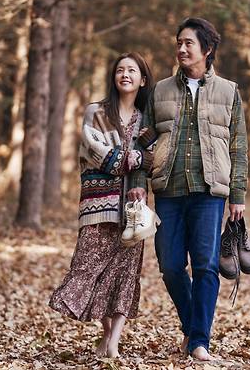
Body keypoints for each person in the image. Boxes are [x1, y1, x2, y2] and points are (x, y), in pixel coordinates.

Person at [128, 17, 248, 361]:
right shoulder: (161, 91)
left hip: (210, 192)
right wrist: (139, 183)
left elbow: (238, 148)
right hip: (169, 190)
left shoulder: (229, 92)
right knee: (170, 266)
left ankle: (199, 341)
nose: (181, 48)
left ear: (206, 50)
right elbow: (143, 142)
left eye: (189, 43)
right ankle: (193, 326)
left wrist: (237, 196)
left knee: (207, 266)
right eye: (179, 42)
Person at [49, 52, 154, 359]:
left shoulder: (147, 119)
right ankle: (105, 330)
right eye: (120, 69)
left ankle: (115, 339)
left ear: (142, 79)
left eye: (132, 70)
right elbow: (94, 150)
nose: (125, 74)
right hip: (97, 205)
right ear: (113, 77)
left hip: (133, 212)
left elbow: (154, 155)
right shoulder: (95, 112)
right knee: (87, 268)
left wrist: (140, 163)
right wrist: (129, 158)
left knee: (125, 272)